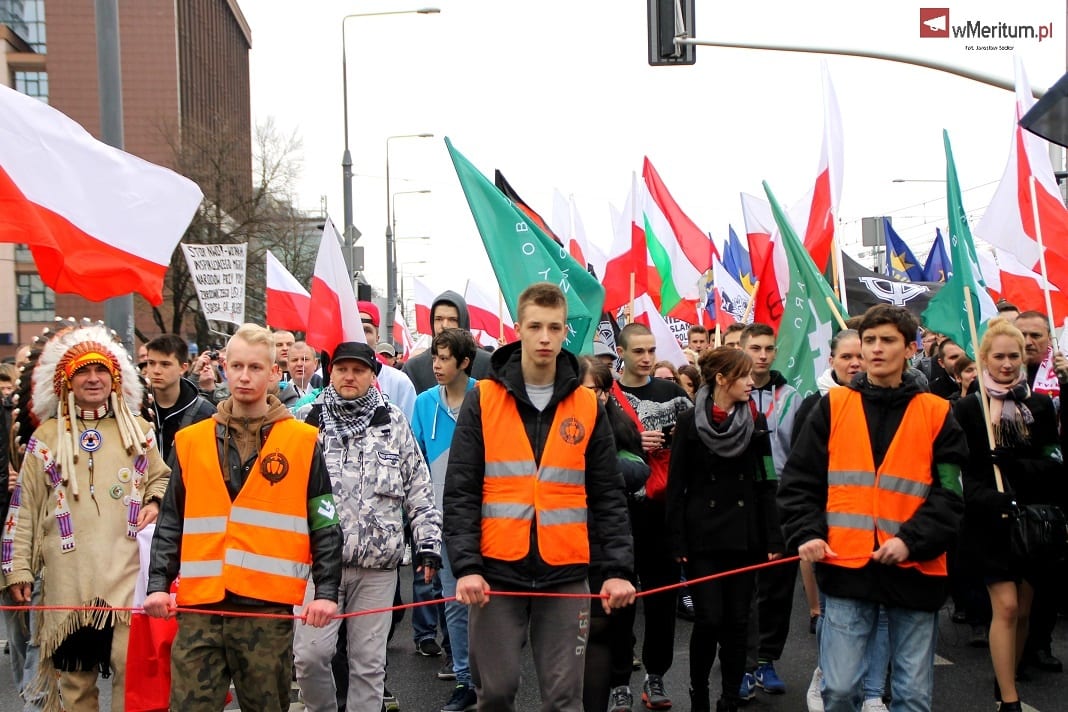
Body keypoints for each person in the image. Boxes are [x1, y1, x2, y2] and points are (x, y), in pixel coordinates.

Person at [444, 282, 636, 712]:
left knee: (565, 699)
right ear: (518, 329)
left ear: (565, 330)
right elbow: (460, 490)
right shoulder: (483, 398)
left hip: (565, 572)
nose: (545, 337)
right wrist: (466, 567)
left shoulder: (587, 404)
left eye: (554, 327)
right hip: (496, 572)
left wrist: (617, 570)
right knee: (495, 694)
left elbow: (608, 494)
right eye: (535, 326)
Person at [778, 304, 968, 712]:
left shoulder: (938, 413)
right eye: (869, 341)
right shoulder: (832, 406)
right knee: (840, 690)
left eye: (887, 340)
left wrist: (910, 541)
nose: (876, 349)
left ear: (911, 348)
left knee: (912, 695)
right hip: (846, 567)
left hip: (916, 570)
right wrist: (806, 532)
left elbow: (950, 495)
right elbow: (799, 482)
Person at [143, 323, 342, 711]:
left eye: (255, 367)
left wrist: (327, 592)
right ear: (225, 369)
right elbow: (171, 520)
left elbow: (325, 522)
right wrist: (157, 584)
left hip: (266, 609)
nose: (244, 376)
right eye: (236, 366)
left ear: (274, 373)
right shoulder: (191, 441)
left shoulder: (302, 443)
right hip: (202, 606)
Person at [3, 324, 170, 711]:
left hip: (126, 573)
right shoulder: (47, 438)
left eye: (101, 371)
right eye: (83, 371)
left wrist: (155, 500)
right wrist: (18, 570)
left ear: (114, 379)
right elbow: (24, 507)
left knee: (130, 671)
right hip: (69, 580)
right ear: (66, 380)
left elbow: (162, 477)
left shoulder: (138, 431)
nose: (93, 379)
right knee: (75, 682)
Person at [293, 341, 441, 712]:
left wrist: (427, 545)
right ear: (330, 373)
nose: (349, 376)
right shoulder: (306, 421)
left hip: (377, 568)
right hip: (316, 566)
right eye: (342, 369)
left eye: (358, 370)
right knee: (309, 658)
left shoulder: (393, 421)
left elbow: (419, 489)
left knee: (369, 666)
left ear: (372, 375)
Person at [954, 318, 1066, 711]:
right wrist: (986, 496)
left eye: (1013, 356)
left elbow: (1054, 460)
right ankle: (1009, 699)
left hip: (1031, 522)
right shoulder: (968, 408)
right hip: (988, 523)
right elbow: (959, 470)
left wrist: (1018, 465)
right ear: (984, 358)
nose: (1006, 364)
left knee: (1024, 609)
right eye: (999, 356)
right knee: (1007, 606)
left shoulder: (1039, 405)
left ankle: (1008, 675)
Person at [667, 347, 782, 712]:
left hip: (744, 537)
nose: (751, 382)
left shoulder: (756, 421)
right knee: (709, 619)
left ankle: (730, 697)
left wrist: (773, 536)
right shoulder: (689, 422)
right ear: (721, 379)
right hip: (702, 538)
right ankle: (699, 693)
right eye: (743, 375)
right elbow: (676, 485)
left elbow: (766, 481)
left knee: (737, 621)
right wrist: (677, 540)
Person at [613, 321, 692, 709]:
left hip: (663, 513)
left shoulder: (672, 394)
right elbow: (592, 448)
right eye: (638, 351)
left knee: (661, 602)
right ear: (621, 353)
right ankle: (618, 681)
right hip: (620, 516)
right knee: (619, 602)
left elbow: (697, 442)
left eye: (651, 350)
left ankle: (656, 677)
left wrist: (677, 439)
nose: (646, 358)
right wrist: (632, 441)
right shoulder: (608, 397)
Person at [410, 328, 480, 711]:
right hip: (442, 520)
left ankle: (489, 676)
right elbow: (417, 461)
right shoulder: (423, 403)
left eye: (444, 358)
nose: (436, 365)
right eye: (434, 357)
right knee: (453, 601)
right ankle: (465, 679)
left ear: (464, 362)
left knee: (489, 602)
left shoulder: (485, 397)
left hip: (485, 518)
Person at [578, 356, 647, 712]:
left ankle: (619, 683)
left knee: (611, 625)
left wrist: (593, 467)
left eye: (595, 390)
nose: (590, 397)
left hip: (610, 540)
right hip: (571, 543)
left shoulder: (617, 424)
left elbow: (638, 470)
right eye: (583, 389)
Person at [738, 323, 801, 699]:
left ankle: (766, 659)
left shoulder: (791, 396)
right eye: (755, 348)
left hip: (780, 498)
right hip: (741, 499)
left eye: (769, 348)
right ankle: (741, 662)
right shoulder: (731, 392)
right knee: (743, 586)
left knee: (777, 586)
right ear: (743, 348)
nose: (762, 355)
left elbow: (799, 451)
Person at [1012, 310, 1068, 672]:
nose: (1029, 342)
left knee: (1048, 573)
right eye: (1023, 335)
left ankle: (1040, 643)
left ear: (1049, 339)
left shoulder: (1059, 375)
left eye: (1036, 335)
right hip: (1014, 488)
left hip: (1054, 488)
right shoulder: (1001, 374)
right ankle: (1012, 646)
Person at [143, 334, 216, 463]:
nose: (156, 370)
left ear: (183, 368)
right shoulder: (138, 409)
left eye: (165, 364)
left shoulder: (205, 413)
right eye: (151, 363)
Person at [403, 290, 494, 393]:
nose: (445, 325)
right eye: (439, 319)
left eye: (452, 319)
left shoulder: (488, 364)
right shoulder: (413, 368)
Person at [357, 301, 417, 420]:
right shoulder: (325, 377)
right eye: (356, 328)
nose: (361, 336)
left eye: (367, 330)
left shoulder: (400, 382)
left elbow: (411, 428)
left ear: (377, 338)